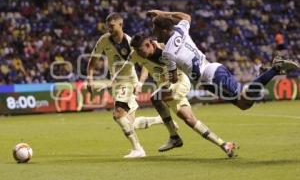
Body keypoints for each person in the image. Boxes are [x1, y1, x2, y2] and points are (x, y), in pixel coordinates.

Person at [144, 10, 300, 112]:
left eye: (155, 30)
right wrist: (163, 13)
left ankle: (275, 68)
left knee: (244, 97)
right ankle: (265, 73)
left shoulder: (168, 52)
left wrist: (166, 82)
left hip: (211, 75)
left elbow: (174, 78)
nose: (154, 33)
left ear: (164, 30)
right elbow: (186, 17)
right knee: (244, 105)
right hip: (208, 79)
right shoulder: (180, 29)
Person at [130, 33, 237, 157]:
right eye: (136, 50)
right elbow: (144, 64)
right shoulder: (138, 54)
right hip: (166, 86)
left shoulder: (165, 48)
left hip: (180, 81)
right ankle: (223, 144)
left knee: (156, 97)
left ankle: (170, 132)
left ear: (149, 45)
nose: (137, 53)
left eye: (139, 50)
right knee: (188, 119)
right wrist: (139, 83)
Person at [87, 12, 162, 158]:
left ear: (120, 25)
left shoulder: (130, 43)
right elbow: (92, 61)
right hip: (117, 82)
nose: (109, 28)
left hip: (128, 82)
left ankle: (138, 149)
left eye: (112, 25)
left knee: (118, 115)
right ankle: (159, 119)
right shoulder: (104, 40)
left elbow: (145, 63)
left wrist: (140, 82)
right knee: (129, 123)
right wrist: (90, 79)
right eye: (108, 25)